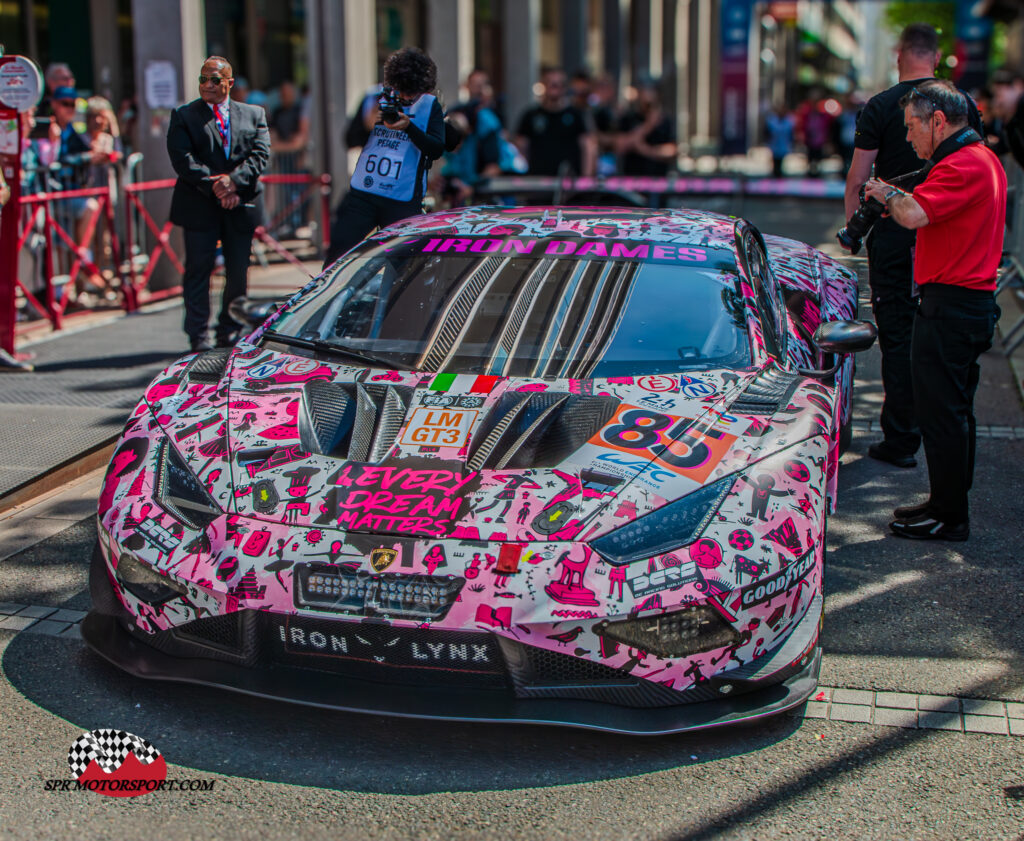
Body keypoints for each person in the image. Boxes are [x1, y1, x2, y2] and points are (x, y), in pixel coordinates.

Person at [863, 79, 1005, 541]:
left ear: (938, 121)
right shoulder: (977, 159)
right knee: (953, 412)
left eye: (912, 127)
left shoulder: (962, 164)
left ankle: (950, 515)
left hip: (953, 306)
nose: (908, 138)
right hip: (962, 304)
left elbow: (912, 215)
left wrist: (885, 193)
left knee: (941, 414)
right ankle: (946, 502)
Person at [845, 22, 982, 470]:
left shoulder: (881, 105)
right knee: (939, 343)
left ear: (897, 54)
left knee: (901, 335)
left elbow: (858, 177)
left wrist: (855, 229)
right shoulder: (961, 106)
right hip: (948, 239)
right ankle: (940, 432)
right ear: (937, 57)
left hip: (897, 234)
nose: (911, 135)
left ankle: (903, 438)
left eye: (914, 129)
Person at [167, 56, 270, 351]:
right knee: (198, 270)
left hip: (241, 204)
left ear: (229, 83)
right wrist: (218, 187)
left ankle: (229, 332)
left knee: (237, 272)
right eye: (203, 79)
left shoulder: (253, 114)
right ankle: (198, 336)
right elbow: (183, 160)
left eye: (214, 79)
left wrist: (234, 183)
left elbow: (260, 156)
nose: (207, 85)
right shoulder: (184, 116)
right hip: (199, 204)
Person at [324, 47, 445, 267]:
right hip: (365, 193)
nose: (405, 99)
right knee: (338, 254)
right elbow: (350, 140)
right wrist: (368, 123)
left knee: (403, 265)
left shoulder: (430, 106)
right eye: (401, 92)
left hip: (402, 198)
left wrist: (409, 127)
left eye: (411, 95)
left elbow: (436, 148)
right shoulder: (375, 99)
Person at [515, 66, 596, 177]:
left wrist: (586, 178)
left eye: (558, 84)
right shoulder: (530, 115)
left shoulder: (576, 115)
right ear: (544, 85)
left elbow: (588, 146)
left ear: (564, 87)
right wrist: (522, 176)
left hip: (569, 181)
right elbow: (521, 146)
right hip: (537, 180)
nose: (554, 88)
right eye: (551, 83)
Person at [617, 81, 677, 176]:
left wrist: (645, 150)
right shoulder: (628, 118)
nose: (648, 97)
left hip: (658, 179)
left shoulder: (666, 121)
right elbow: (621, 145)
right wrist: (648, 125)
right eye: (645, 92)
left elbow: (672, 151)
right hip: (632, 178)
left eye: (651, 92)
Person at [990, 67, 1024, 167]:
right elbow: (1002, 147)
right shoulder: (1013, 121)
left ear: (1019, 86)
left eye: (999, 93)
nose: (997, 101)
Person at [765, 104, 795, 177]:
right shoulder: (772, 121)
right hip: (774, 145)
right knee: (775, 160)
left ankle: (779, 174)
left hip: (783, 145)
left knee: (781, 161)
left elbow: (791, 134)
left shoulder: (788, 122)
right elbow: (767, 133)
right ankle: (775, 173)